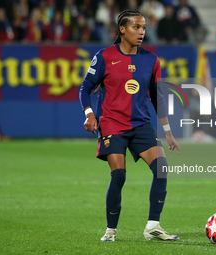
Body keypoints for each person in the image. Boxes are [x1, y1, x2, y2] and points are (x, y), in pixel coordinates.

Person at [79, 10, 180, 242]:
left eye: (144, 27)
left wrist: (168, 132)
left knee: (161, 169)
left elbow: (157, 97)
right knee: (119, 176)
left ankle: (153, 227)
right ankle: (111, 231)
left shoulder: (151, 60)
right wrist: (89, 114)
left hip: (141, 124)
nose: (142, 32)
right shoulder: (104, 56)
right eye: (136, 27)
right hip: (112, 123)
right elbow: (85, 88)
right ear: (122, 30)